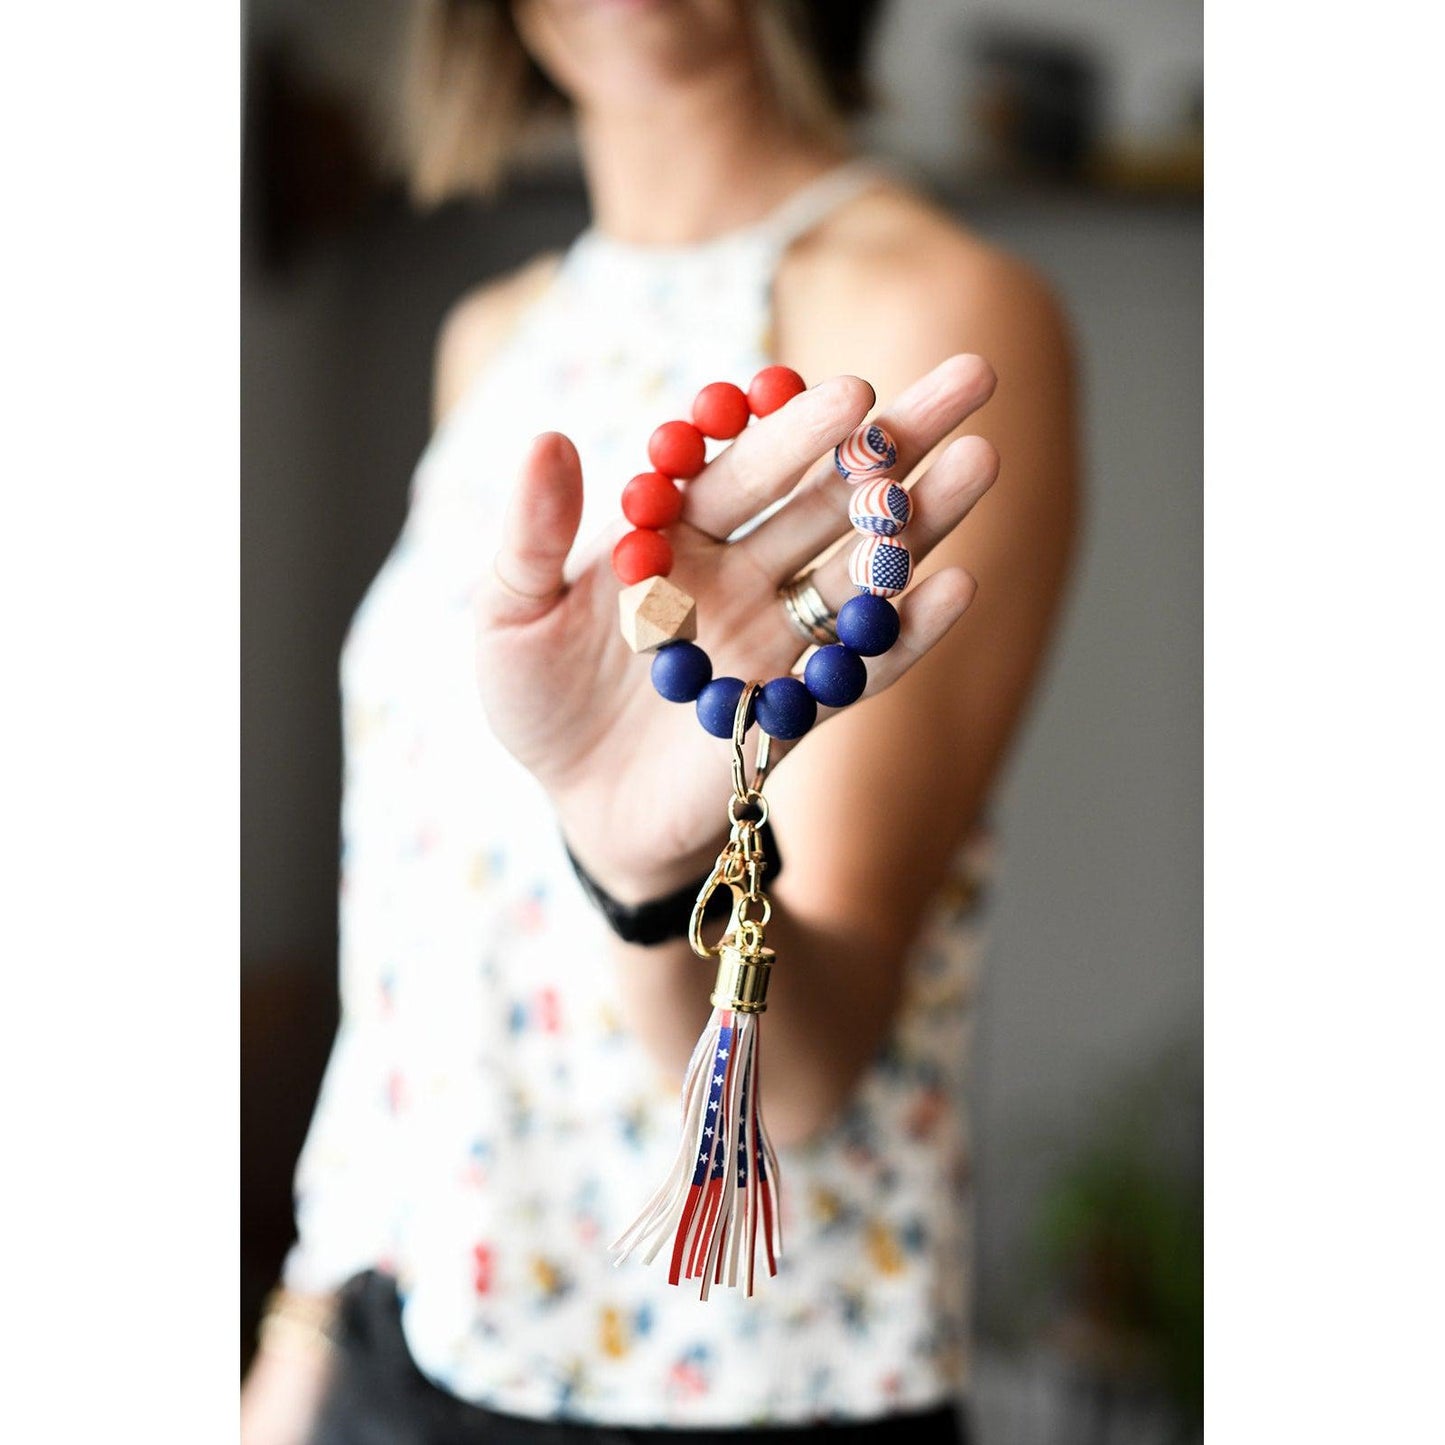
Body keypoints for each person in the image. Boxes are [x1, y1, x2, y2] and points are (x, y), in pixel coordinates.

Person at [241, 1, 1078, 1441]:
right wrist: (305, 1327)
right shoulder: (494, 336)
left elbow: (804, 1075)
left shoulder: (923, 309)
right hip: (400, 1338)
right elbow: (419, 940)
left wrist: (640, 872)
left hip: (717, 1388)